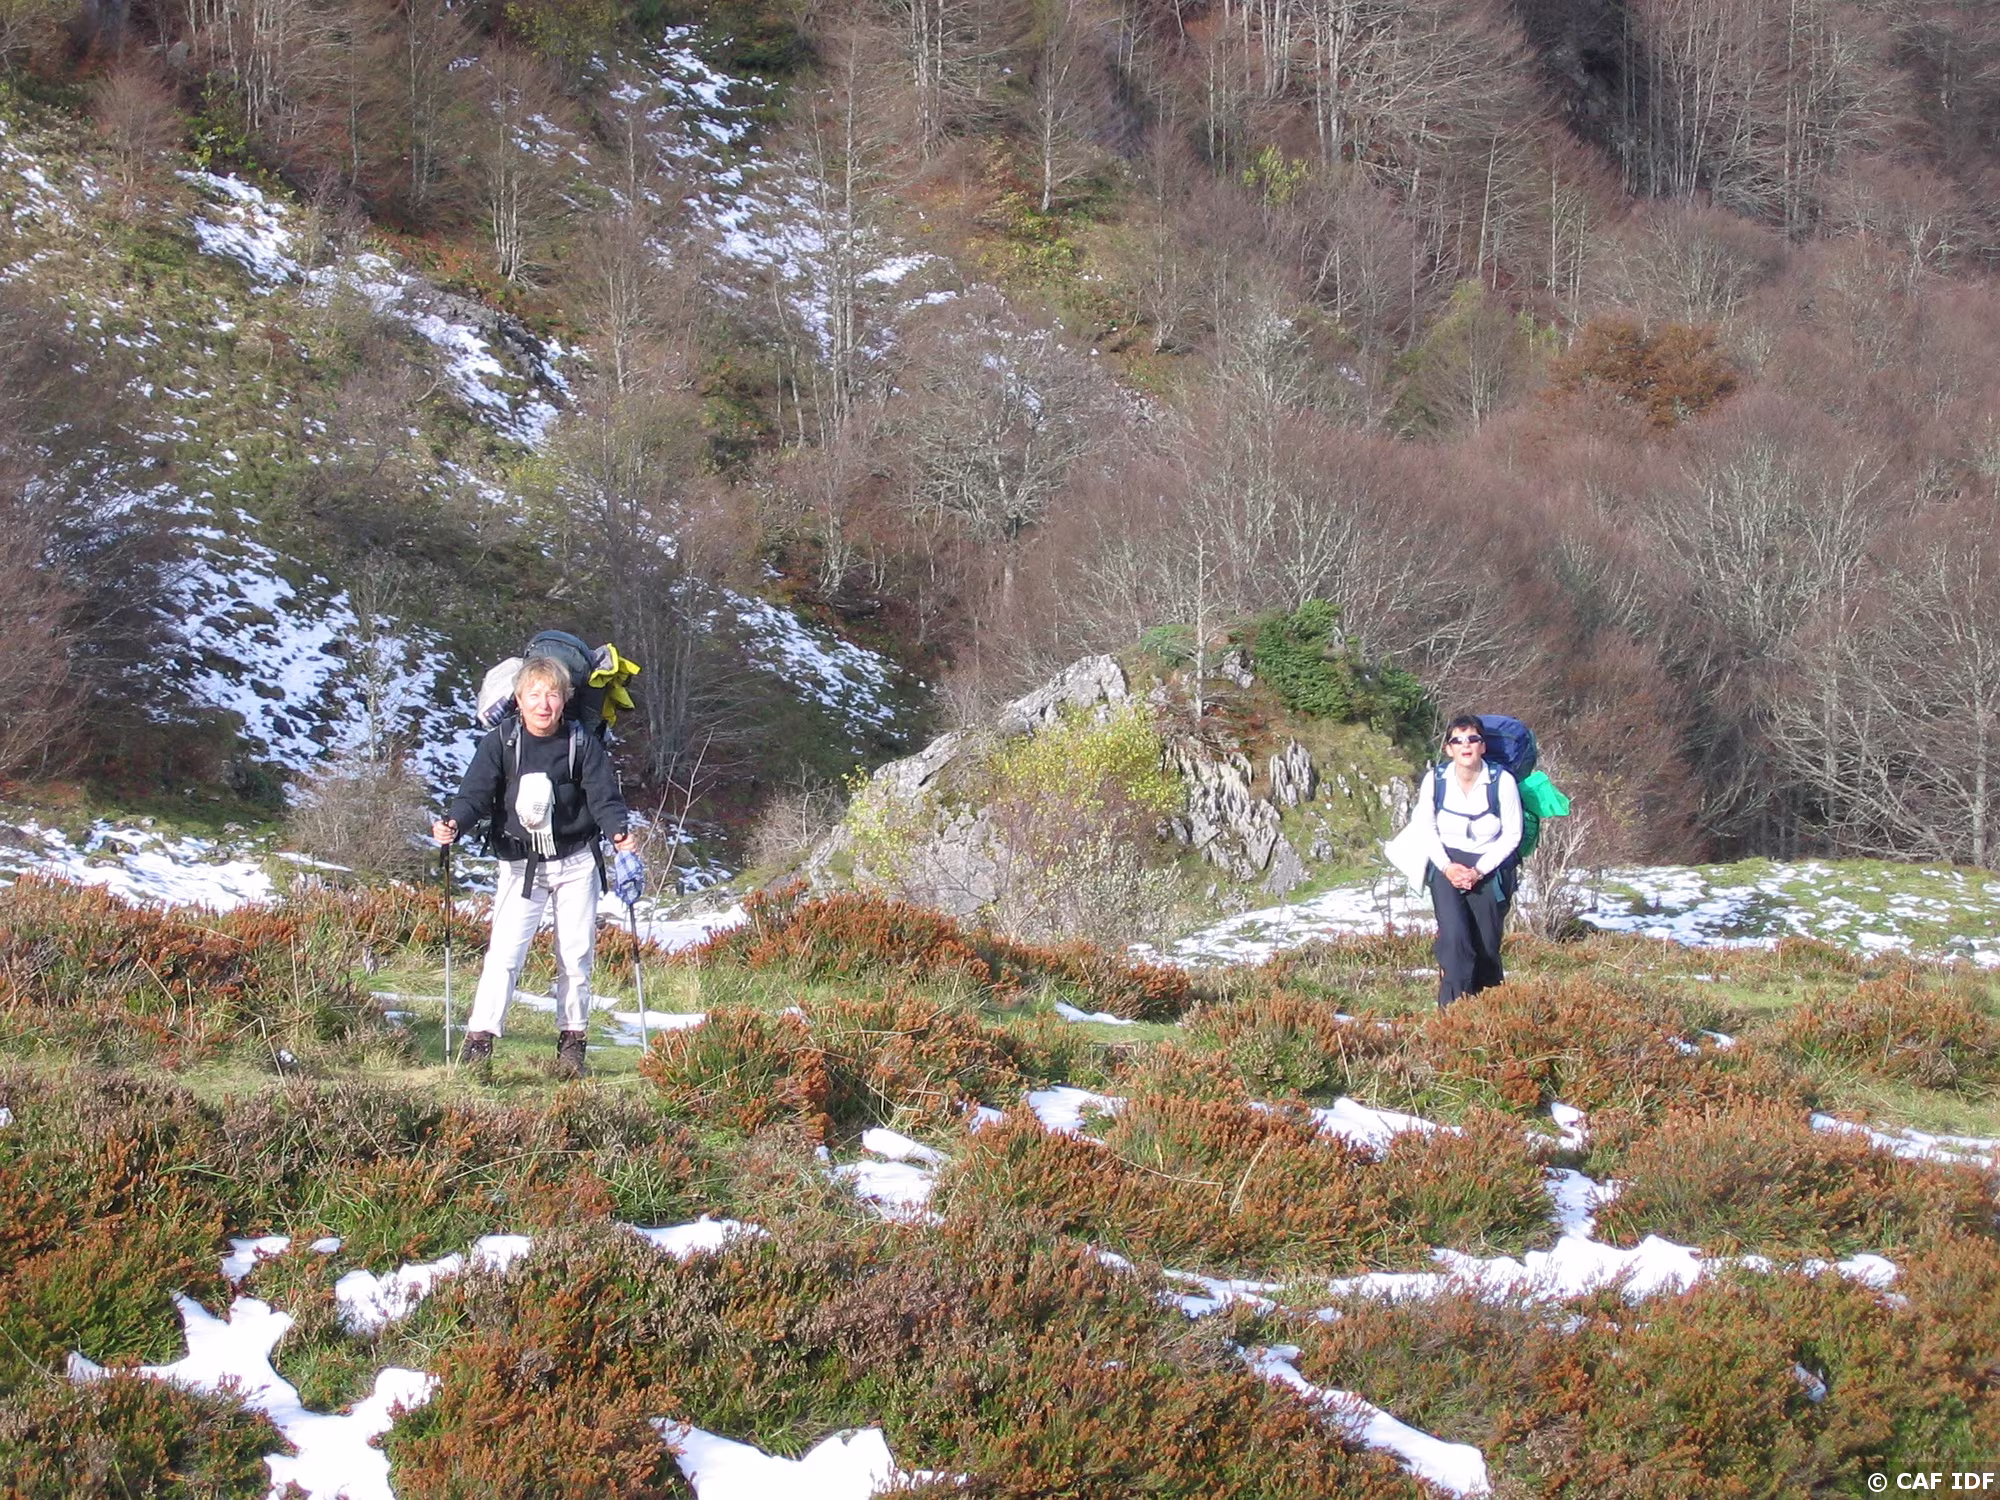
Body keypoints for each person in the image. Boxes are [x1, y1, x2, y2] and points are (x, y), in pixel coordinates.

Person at [431, 654, 636, 1076]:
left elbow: (604, 798)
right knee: (505, 954)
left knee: (575, 957)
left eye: (553, 695)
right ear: (519, 700)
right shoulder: (501, 742)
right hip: (520, 863)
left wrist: (619, 834)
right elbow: (474, 795)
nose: (544, 704)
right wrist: (454, 823)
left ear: (565, 699)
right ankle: (479, 1042)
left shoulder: (582, 743)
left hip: (577, 860)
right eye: (535, 695)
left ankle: (573, 1044)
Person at [1414, 714, 1522, 1008]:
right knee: (1454, 940)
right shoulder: (1435, 780)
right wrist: (1447, 867)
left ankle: (1489, 1013)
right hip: (1445, 865)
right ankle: (1452, 1014)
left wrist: (1479, 871)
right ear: (1448, 749)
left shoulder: (1502, 782)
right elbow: (1426, 828)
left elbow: (1512, 834)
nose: (1466, 745)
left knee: (1487, 947)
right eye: (1457, 740)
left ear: (1483, 746)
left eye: (1473, 739)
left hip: (1490, 868)